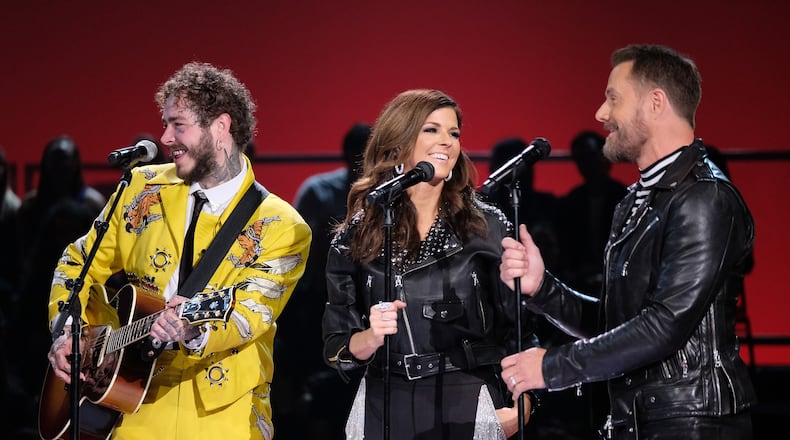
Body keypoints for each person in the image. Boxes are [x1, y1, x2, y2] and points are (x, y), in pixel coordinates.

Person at [499, 44, 757, 439]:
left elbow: (663, 326)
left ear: (656, 103)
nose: (601, 114)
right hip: (639, 419)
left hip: (690, 424)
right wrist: (544, 288)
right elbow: (616, 326)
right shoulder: (637, 201)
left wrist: (551, 367)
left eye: (613, 98)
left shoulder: (706, 199)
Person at [45, 62, 312, 439]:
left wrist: (190, 328)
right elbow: (77, 263)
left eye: (178, 124)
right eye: (164, 123)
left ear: (221, 127)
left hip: (223, 414)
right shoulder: (141, 188)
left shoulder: (282, 225)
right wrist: (69, 333)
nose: (165, 137)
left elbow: (253, 312)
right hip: (128, 402)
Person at [322, 89, 540, 439]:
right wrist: (372, 336)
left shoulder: (485, 226)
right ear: (398, 144)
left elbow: (520, 327)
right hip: (385, 400)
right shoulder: (356, 236)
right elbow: (337, 348)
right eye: (432, 130)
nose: (447, 142)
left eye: (454, 133)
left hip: (468, 395)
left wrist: (524, 405)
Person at [273, 122, 371, 439]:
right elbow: (295, 251)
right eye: (355, 152)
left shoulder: (389, 196)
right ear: (345, 153)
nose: (360, 160)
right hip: (317, 304)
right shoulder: (318, 191)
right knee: (318, 386)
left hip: (371, 307)